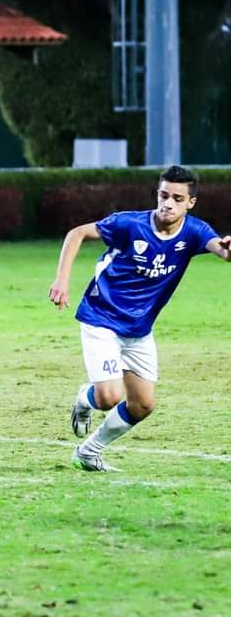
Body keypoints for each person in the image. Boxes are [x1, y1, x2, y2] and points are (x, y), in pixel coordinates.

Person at [49, 165, 231, 472]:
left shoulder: (194, 231)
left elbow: (222, 251)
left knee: (143, 404)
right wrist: (62, 280)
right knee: (108, 396)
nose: (168, 203)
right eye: (163, 195)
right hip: (101, 317)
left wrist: (227, 249)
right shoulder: (129, 224)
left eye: (177, 198)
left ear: (191, 202)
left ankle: (88, 453)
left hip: (139, 329)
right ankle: (84, 399)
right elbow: (77, 233)